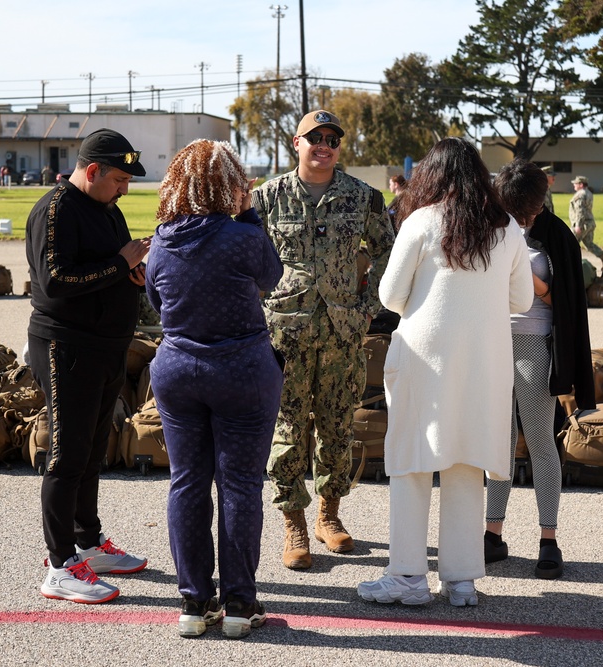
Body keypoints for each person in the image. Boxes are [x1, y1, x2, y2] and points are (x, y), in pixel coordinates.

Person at [356, 137, 533, 607]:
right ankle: (460, 580)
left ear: (431, 176)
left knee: (413, 463)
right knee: (465, 465)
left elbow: (390, 296)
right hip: (485, 361)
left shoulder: (421, 221)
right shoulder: (507, 227)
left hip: (425, 356)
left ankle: (408, 575)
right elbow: (523, 301)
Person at [145, 139, 284, 639]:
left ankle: (193, 601)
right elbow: (274, 275)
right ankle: (241, 604)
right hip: (242, 367)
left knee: (187, 481)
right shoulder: (242, 236)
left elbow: (155, 298)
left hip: (178, 367)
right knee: (241, 484)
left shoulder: (162, 239)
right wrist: (251, 222)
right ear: (233, 185)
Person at [253, 110, 395, 570]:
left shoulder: (362, 197)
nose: (325, 145)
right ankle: (293, 521)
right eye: (315, 137)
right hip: (284, 333)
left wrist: (367, 307)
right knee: (288, 428)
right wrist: (257, 308)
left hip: (341, 332)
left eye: (332, 138)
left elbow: (389, 250)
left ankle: (328, 516)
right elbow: (242, 256)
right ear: (296, 142)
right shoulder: (267, 198)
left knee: (337, 426)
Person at [26, 128, 151, 605]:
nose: (125, 188)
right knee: (66, 455)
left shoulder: (106, 208)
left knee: (94, 448)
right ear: (92, 170)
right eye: (118, 179)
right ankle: (60, 566)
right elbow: (54, 282)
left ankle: (88, 542)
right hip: (66, 347)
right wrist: (121, 265)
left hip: (106, 345)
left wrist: (134, 275)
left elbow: (109, 267)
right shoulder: (55, 210)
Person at [483, 159, 596, 580]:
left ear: (541, 199)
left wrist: (529, 283)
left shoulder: (557, 235)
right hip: (493, 342)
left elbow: (567, 302)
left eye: (525, 210)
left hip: (534, 341)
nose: (519, 218)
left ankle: (548, 539)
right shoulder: (491, 226)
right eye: (510, 208)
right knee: (498, 440)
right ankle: (493, 534)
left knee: (539, 438)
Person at [568, 175, 603, 273]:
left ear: (581, 184)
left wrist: (578, 225)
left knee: (569, 243)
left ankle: (570, 266)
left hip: (582, 224)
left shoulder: (580, 195)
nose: (574, 185)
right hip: (590, 223)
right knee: (589, 244)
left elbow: (580, 211)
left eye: (575, 183)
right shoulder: (588, 193)